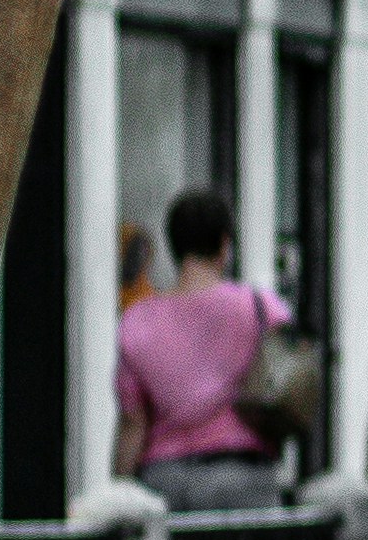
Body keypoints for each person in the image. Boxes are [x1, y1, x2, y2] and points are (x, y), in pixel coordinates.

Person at [112, 187, 294, 514]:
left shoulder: (137, 320)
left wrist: (119, 491)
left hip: (165, 482)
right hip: (244, 478)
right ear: (225, 244)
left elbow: (132, 422)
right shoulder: (260, 309)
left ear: (173, 248)